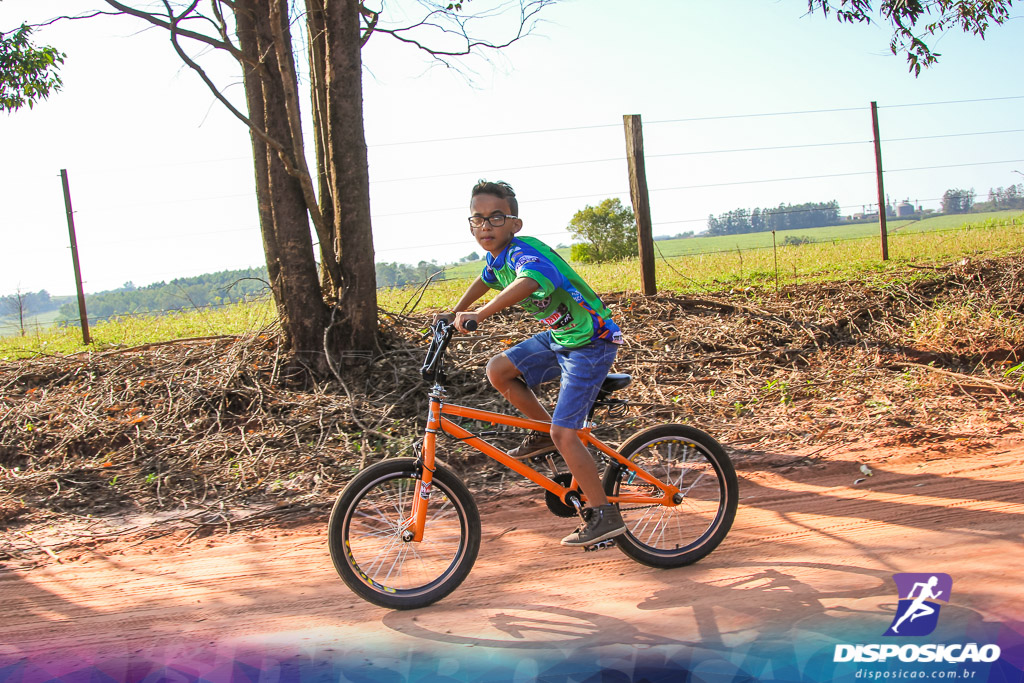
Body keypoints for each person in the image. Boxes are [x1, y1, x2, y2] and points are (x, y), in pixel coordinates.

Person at [437, 179, 626, 547]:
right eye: (477, 219)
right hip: (561, 339)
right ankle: (542, 432)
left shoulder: (525, 253)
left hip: (591, 340)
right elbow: (485, 279)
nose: (485, 226)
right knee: (498, 369)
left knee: (566, 433)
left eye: (495, 218)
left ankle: (605, 516)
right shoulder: (497, 257)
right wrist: (456, 312)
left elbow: (531, 280)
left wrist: (483, 313)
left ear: (515, 224)